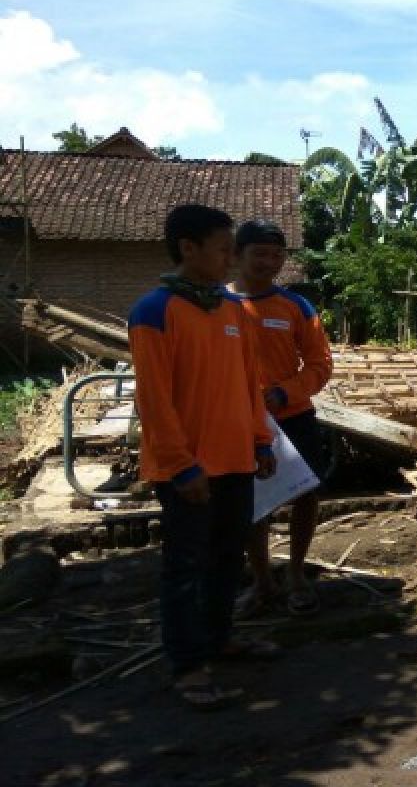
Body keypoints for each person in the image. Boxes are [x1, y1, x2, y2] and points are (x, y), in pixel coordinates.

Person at [128, 204, 277, 709]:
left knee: (224, 560)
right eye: (221, 250)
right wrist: (180, 464)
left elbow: (248, 385)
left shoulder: (230, 310)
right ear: (188, 249)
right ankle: (188, 665)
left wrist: (261, 442)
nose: (229, 260)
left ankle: (219, 639)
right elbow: (154, 398)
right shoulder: (155, 312)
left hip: (236, 460)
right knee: (185, 568)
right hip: (188, 469)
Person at [228, 219, 334, 618]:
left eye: (277, 255)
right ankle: (262, 580)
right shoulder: (216, 306)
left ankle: (296, 574)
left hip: (292, 416)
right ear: (238, 255)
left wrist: (284, 391)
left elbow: (321, 364)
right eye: (260, 253)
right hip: (238, 421)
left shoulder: (296, 307)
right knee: (253, 502)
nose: (270, 262)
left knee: (305, 494)